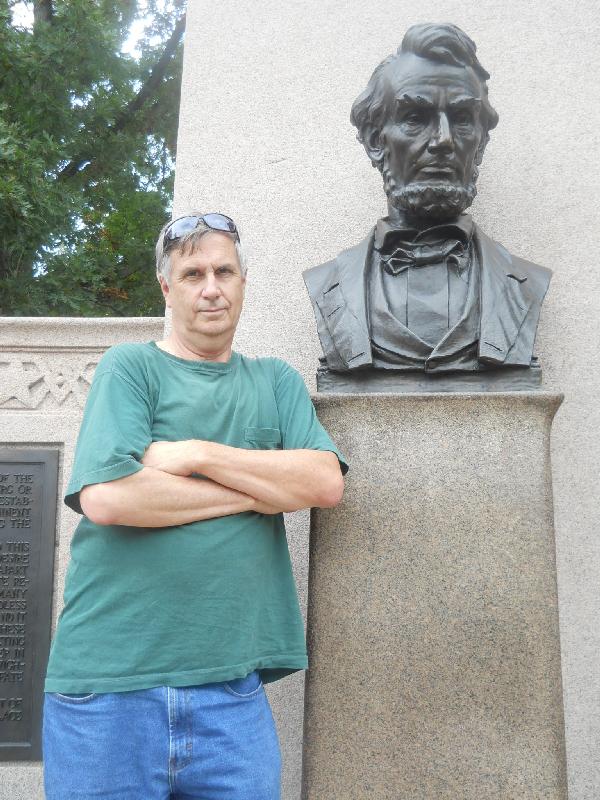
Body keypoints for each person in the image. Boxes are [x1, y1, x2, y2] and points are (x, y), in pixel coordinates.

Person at [43, 212, 347, 800]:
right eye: (193, 274)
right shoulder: (131, 368)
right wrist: (257, 489)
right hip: (109, 693)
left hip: (232, 695)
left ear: (242, 282)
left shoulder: (276, 382)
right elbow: (108, 498)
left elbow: (322, 483)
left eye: (224, 271)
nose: (211, 287)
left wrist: (193, 453)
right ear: (167, 287)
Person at [303, 23, 551, 381]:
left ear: (480, 143)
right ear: (375, 140)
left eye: (463, 119)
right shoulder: (329, 288)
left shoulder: (525, 284)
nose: (443, 140)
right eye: (415, 118)